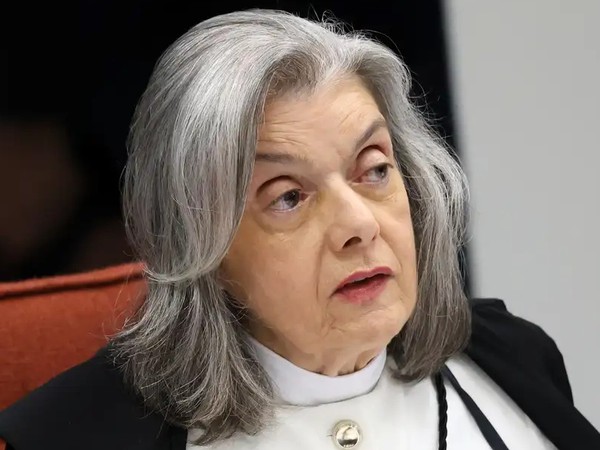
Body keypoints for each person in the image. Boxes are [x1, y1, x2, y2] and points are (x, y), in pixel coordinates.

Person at [1, 9, 599, 450]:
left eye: (375, 170)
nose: (359, 225)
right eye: (288, 197)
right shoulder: (70, 436)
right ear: (202, 247)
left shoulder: (515, 358)